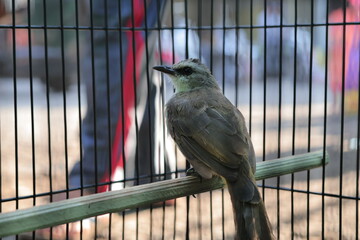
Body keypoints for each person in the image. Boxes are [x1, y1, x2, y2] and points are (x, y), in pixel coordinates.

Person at [329, 0, 360, 114]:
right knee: (339, 77)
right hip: (343, 51)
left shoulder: (343, 15)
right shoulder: (345, 16)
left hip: (345, 51)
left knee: (342, 77)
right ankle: (340, 103)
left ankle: (341, 103)